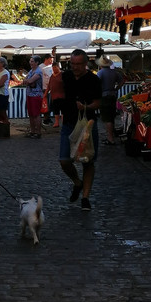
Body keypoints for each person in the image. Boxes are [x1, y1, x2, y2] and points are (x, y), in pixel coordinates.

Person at [58, 49, 102, 210]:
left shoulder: (93, 80)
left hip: (87, 125)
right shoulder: (66, 76)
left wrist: (85, 107)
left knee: (88, 160)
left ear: (85, 64)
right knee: (64, 160)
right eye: (72, 64)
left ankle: (85, 198)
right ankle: (78, 182)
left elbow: (98, 103)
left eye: (78, 64)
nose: (75, 67)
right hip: (68, 123)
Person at [97, 55, 124, 145]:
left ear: (101, 65)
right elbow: (122, 81)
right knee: (111, 116)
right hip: (113, 95)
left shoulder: (100, 73)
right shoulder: (114, 72)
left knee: (106, 117)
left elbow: (96, 84)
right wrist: (117, 88)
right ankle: (111, 136)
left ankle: (110, 138)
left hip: (104, 96)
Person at [23, 55, 45, 138]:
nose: (30, 63)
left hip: (36, 95)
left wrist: (27, 81)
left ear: (37, 62)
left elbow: (29, 80)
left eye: (32, 61)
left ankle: (38, 132)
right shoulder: (32, 70)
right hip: (30, 94)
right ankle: (32, 131)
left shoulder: (38, 71)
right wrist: (27, 81)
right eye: (30, 61)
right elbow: (25, 80)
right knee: (31, 114)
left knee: (36, 114)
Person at [47, 57, 65, 129]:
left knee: (63, 109)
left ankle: (64, 122)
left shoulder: (63, 74)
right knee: (56, 109)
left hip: (62, 95)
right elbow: (49, 85)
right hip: (54, 96)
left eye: (55, 67)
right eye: (53, 68)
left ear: (58, 67)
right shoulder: (52, 76)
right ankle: (56, 122)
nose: (54, 69)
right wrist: (45, 93)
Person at [41, 53, 55, 126]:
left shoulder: (51, 66)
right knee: (45, 104)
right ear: (46, 59)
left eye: (52, 59)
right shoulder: (41, 67)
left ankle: (48, 118)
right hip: (44, 88)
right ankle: (45, 119)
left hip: (51, 88)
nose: (52, 60)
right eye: (50, 59)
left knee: (50, 104)